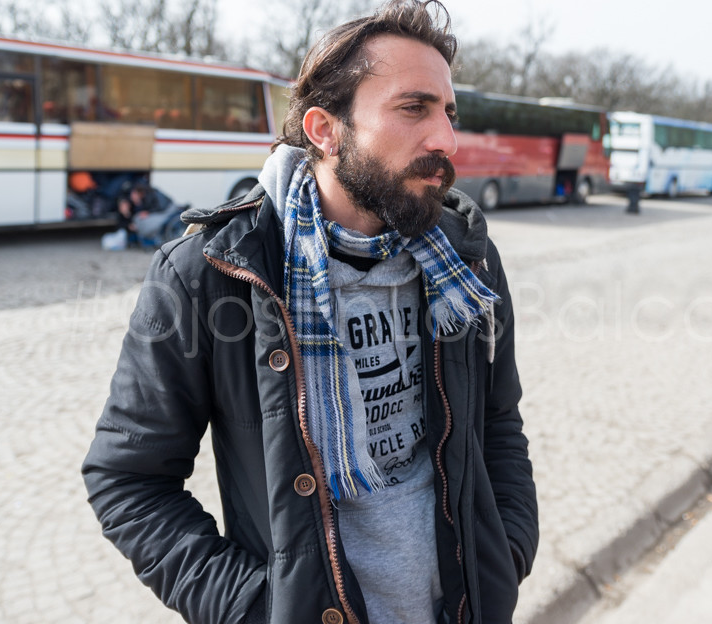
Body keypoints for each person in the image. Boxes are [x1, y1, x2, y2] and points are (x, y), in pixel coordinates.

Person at [81, 2, 539, 623]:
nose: (446, 140)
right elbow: (127, 479)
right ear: (325, 129)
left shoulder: (467, 262)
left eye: (448, 113)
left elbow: (497, 424)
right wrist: (258, 608)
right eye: (413, 108)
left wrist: (504, 554)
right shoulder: (209, 273)